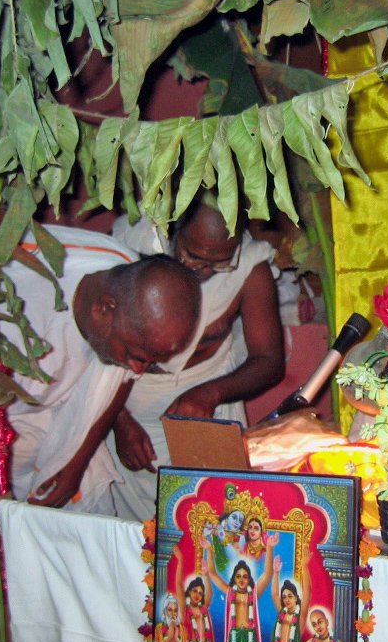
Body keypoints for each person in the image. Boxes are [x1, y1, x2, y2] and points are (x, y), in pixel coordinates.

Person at [0, 224, 201, 513]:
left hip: (63, 417)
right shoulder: (12, 305)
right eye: (135, 356)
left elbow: (117, 379)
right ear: (103, 309)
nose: (137, 370)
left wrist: (78, 461)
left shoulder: (129, 278)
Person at [111, 197, 285, 520]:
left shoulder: (249, 266)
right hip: (128, 405)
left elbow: (269, 360)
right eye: (192, 255)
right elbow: (94, 341)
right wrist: (117, 419)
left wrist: (210, 393)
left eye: (218, 263)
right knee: (135, 539)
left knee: (213, 522)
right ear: (172, 229)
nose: (203, 270)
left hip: (210, 408)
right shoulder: (131, 247)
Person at [203, 541, 274, 642]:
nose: (241, 579)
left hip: (250, 640)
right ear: (234, 578)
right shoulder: (230, 593)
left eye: (245, 576)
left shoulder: (254, 595)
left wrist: (269, 548)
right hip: (233, 640)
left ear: (249, 579)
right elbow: (213, 574)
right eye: (238, 576)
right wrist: (209, 549)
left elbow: (268, 574)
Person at [262, 556, 312, 642]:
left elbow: (307, 592)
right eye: (284, 597)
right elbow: (274, 595)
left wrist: (305, 567)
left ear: (296, 597)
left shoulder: (300, 616)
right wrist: (276, 573)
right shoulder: (282, 613)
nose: (286, 599)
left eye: (290, 596)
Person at [174, 545, 217, 642]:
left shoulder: (203, 609)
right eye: (194, 591)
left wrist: (206, 576)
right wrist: (180, 561)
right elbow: (179, 586)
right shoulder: (185, 610)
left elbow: (210, 595)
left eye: (200, 592)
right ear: (189, 592)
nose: (197, 594)